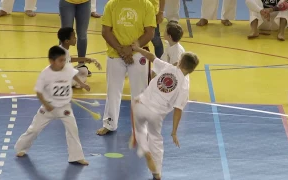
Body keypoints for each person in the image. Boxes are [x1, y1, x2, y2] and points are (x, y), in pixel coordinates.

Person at [129, 41, 199, 180]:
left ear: (179, 62)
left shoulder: (168, 68)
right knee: (156, 141)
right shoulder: (184, 87)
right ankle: (157, 173)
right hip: (156, 115)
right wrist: (174, 132)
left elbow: (151, 56)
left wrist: (137, 48)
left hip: (142, 105)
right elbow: (178, 110)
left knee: (136, 111)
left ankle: (140, 140)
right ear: (192, 70)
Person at [14, 46, 90, 165]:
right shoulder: (45, 74)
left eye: (64, 60)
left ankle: (76, 156)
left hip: (65, 107)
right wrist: (45, 104)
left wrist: (82, 84)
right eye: (60, 60)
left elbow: (73, 74)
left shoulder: (66, 68)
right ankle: (21, 148)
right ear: (51, 61)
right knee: (34, 129)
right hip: (48, 107)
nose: (63, 63)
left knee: (73, 130)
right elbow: (39, 92)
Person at [96, 0, 156, 135]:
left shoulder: (146, 5)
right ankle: (109, 123)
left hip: (138, 53)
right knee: (113, 89)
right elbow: (106, 31)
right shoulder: (112, 4)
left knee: (140, 91)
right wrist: (121, 49)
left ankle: (141, 126)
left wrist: (131, 48)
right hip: (115, 53)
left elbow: (149, 32)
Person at [59, 0, 92, 77]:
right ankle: (60, 64)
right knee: (65, 34)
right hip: (67, 2)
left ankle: (81, 64)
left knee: (82, 35)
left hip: (85, 2)